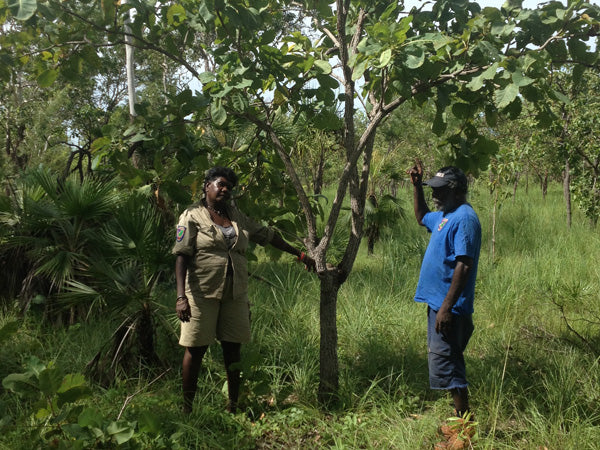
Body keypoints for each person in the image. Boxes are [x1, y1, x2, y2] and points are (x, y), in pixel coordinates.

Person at [173, 167, 315, 414]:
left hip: (235, 293)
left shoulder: (235, 215)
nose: (225, 189)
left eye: (229, 186)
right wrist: (180, 297)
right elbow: (181, 256)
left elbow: (267, 235)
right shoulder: (192, 215)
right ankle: (187, 410)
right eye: (220, 184)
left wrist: (301, 255)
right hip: (201, 292)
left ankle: (233, 406)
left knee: (233, 349)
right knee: (195, 350)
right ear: (207, 186)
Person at [408, 162, 481, 420]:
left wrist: (447, 308)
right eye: (432, 189)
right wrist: (417, 187)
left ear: (456, 190)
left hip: (449, 308)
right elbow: (421, 217)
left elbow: (464, 265)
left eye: (439, 190)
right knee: (446, 362)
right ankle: (459, 423)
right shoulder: (445, 215)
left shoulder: (464, 218)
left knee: (450, 366)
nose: (434, 195)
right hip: (438, 305)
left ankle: (464, 427)